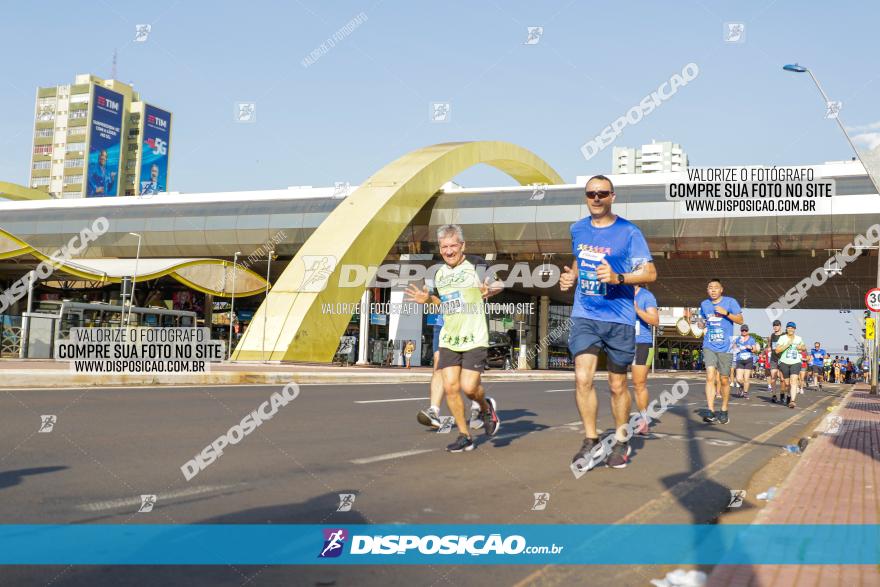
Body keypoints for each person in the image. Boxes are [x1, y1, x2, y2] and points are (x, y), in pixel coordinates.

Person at [561, 175, 657, 471]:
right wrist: (572, 276)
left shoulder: (629, 232)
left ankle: (621, 438)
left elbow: (650, 273)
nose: (597, 198)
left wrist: (620, 278)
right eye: (591, 193)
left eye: (602, 193)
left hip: (619, 317)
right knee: (582, 377)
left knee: (617, 385)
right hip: (586, 314)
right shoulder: (577, 229)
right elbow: (579, 259)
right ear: (586, 197)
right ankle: (590, 439)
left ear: (613, 197)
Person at [405, 224, 503, 452]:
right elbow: (441, 302)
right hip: (450, 337)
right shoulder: (438, 273)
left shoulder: (477, 264)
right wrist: (427, 300)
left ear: (462, 246)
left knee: (469, 388)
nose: (449, 251)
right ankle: (464, 435)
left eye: (453, 246)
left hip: (474, 335)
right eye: (444, 247)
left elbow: (499, 283)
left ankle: (486, 407)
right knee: (450, 387)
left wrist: (490, 290)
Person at [697, 279, 743, 424]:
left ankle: (723, 410)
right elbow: (702, 321)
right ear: (707, 290)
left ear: (721, 289)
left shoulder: (730, 302)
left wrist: (726, 313)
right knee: (710, 376)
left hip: (726, 346)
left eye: (716, 287)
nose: (713, 290)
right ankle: (710, 411)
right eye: (710, 287)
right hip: (709, 345)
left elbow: (741, 320)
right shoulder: (704, 304)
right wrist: (700, 324)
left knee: (724, 379)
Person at [631, 285, 659, 437]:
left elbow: (655, 321)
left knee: (639, 383)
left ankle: (643, 420)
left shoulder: (646, 296)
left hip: (641, 343)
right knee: (617, 383)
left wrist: (637, 310)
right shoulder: (616, 291)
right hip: (620, 342)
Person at [775, 321, 806, 408]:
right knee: (787, 383)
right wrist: (787, 345)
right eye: (789, 328)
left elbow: (804, 347)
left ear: (795, 329)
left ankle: (792, 401)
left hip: (796, 362)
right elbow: (777, 350)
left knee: (793, 381)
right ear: (786, 329)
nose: (790, 329)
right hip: (784, 362)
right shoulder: (782, 338)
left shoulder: (798, 338)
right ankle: (788, 395)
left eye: (792, 328)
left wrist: (801, 347)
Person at [731, 324, 758, 399]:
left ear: (747, 331)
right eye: (742, 330)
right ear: (741, 331)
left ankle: (745, 393)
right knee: (738, 378)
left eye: (745, 330)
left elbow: (755, 350)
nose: (744, 332)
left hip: (748, 359)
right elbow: (733, 347)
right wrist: (736, 347)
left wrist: (750, 348)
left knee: (746, 378)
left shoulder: (751, 339)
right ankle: (742, 386)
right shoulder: (738, 339)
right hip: (739, 359)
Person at [767, 320, 785, 403]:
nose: (775, 327)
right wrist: (769, 348)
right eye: (774, 325)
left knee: (782, 379)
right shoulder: (772, 335)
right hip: (774, 358)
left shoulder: (784, 335)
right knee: (773, 377)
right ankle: (774, 395)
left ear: (780, 326)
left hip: (782, 359)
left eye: (777, 325)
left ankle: (782, 394)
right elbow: (770, 346)